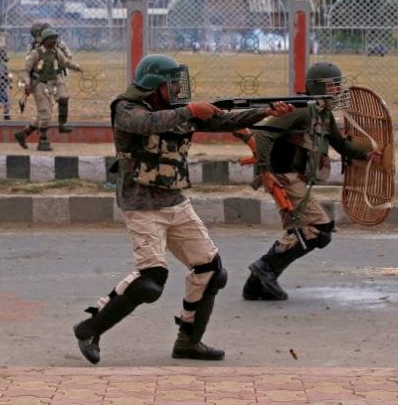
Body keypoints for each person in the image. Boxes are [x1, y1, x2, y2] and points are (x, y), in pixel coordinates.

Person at [71, 54, 294, 364]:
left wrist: (267, 111)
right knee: (150, 281)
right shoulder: (126, 108)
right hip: (141, 205)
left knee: (211, 270)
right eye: (171, 84)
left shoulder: (180, 111)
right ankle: (88, 329)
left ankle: (188, 341)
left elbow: (226, 120)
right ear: (154, 86)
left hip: (174, 201)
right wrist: (190, 111)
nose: (178, 89)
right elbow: (147, 124)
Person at [242, 62, 382, 301]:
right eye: (333, 86)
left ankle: (256, 285)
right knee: (319, 229)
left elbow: (340, 144)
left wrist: (366, 155)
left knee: (299, 231)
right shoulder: (302, 110)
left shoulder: (323, 114)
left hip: (292, 176)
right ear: (319, 87)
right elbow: (263, 134)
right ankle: (265, 268)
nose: (338, 91)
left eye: (338, 86)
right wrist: (265, 172)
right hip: (282, 175)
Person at [14, 28, 82, 151]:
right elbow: (26, 71)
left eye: (55, 38)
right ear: (45, 40)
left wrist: (76, 67)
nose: (54, 41)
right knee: (45, 115)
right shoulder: (36, 53)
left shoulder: (56, 52)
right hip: (39, 84)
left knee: (48, 111)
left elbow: (65, 62)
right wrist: (27, 83)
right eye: (51, 39)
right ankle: (43, 141)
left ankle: (23, 134)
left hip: (52, 83)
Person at [27, 23, 76, 133]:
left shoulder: (58, 43)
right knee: (45, 108)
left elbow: (68, 55)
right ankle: (33, 132)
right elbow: (28, 61)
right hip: (40, 78)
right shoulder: (33, 46)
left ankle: (61, 125)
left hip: (56, 74)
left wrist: (58, 58)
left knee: (62, 99)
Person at [0, 49, 12, 120]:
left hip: (2, 85)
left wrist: (8, 82)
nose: (6, 57)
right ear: (2, 56)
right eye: (5, 55)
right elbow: (0, 75)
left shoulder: (1, 63)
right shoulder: (0, 64)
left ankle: (6, 116)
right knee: (1, 103)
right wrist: (8, 79)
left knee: (5, 101)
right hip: (1, 85)